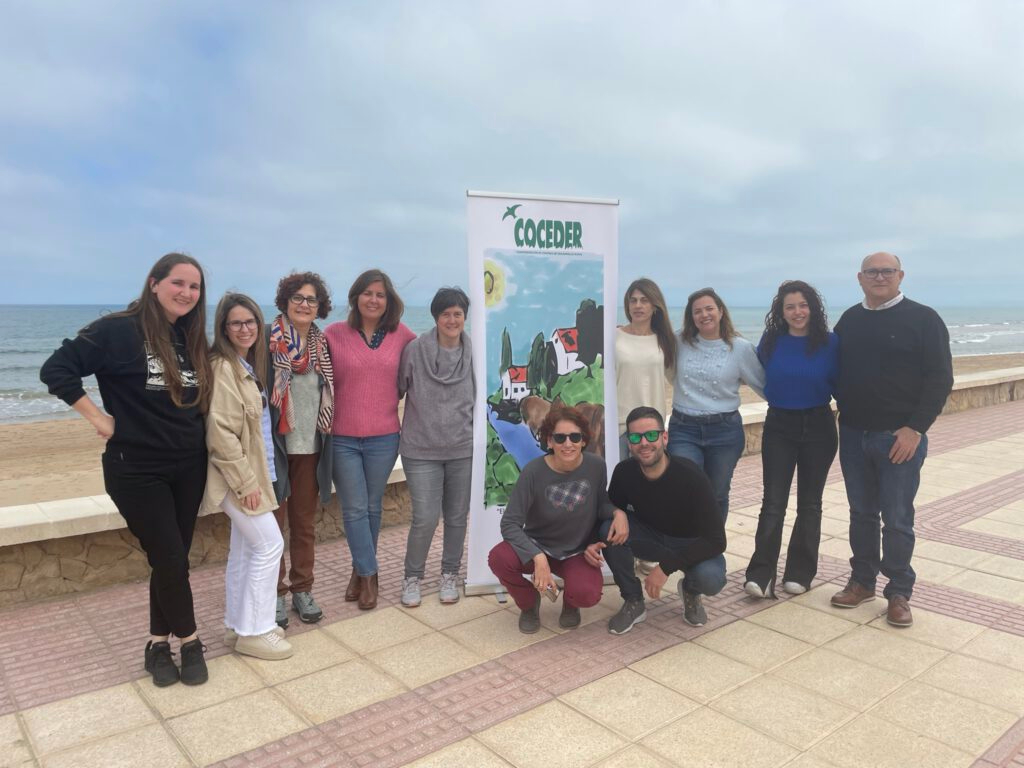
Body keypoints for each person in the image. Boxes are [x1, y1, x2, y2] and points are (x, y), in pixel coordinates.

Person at [39, 253, 212, 687]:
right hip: (136, 469)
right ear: (154, 283)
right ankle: (189, 641)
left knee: (169, 560)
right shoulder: (117, 330)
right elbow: (56, 370)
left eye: (194, 287)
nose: (187, 293)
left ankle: (157, 644)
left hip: (189, 467)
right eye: (178, 283)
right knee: (170, 557)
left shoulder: (187, 336)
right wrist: (99, 420)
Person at [830, 252, 953, 627]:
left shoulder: (924, 319)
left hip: (898, 438)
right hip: (852, 434)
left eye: (886, 271)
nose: (879, 277)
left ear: (900, 275)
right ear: (859, 277)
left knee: (897, 519)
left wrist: (915, 428)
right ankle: (862, 581)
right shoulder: (850, 320)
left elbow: (940, 378)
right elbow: (833, 366)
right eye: (872, 272)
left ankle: (899, 592)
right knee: (861, 514)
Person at [203, 293, 293, 661]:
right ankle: (256, 631)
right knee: (269, 545)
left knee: (243, 551)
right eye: (237, 323)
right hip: (236, 478)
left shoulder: (244, 365)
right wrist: (246, 483)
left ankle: (236, 626)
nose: (245, 328)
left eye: (251, 321)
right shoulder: (223, 367)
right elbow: (220, 432)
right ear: (224, 328)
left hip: (252, 473)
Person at [488, 406, 629, 634]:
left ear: (583, 440)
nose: (568, 444)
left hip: (575, 551)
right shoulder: (533, 472)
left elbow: (600, 504)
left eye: (575, 437)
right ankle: (528, 604)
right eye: (559, 438)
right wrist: (537, 556)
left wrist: (618, 513)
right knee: (499, 558)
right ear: (549, 441)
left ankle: (571, 605)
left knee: (588, 593)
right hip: (538, 547)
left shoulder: (596, 466)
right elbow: (510, 523)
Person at [590, 407, 726, 633]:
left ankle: (691, 591)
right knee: (609, 529)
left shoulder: (690, 476)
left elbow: (716, 541)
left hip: (689, 543)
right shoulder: (625, 472)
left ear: (664, 437)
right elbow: (608, 505)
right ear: (629, 443)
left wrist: (665, 569)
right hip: (651, 539)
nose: (644, 443)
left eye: (651, 435)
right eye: (636, 437)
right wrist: (618, 513)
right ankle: (633, 600)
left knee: (711, 579)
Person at [326, 269, 416, 610]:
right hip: (342, 438)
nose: (373, 300)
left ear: (388, 300)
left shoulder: (403, 336)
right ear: (355, 298)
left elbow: (421, 372)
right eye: (367, 293)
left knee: (373, 507)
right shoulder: (334, 334)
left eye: (380, 294)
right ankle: (369, 575)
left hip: (384, 437)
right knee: (354, 508)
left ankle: (359, 570)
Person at [744, 281, 839, 599]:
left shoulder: (829, 342)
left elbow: (846, 383)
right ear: (780, 312)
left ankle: (799, 572)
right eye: (790, 307)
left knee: (810, 504)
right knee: (773, 503)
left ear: (812, 308)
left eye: (803, 305)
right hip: (780, 425)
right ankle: (761, 574)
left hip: (819, 425)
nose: (797, 312)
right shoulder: (771, 341)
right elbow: (753, 373)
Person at [398, 287, 475, 608]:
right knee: (426, 518)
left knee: (457, 517)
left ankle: (449, 574)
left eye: (458, 314)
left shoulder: (474, 351)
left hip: (463, 448)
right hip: (420, 450)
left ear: (465, 317)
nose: (452, 319)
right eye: (446, 314)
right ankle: (412, 577)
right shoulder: (415, 350)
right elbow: (399, 388)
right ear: (435, 317)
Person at [267, 272, 335, 627]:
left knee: (304, 523)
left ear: (319, 306)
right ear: (285, 301)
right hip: (275, 448)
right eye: (297, 298)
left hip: (311, 446)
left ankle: (302, 590)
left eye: (311, 299)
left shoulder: (322, 346)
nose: (304, 304)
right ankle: (275, 594)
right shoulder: (267, 339)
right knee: (273, 525)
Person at [668, 288, 765, 522]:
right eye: (697, 311)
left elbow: (763, 384)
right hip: (684, 428)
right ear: (691, 317)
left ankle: (712, 547)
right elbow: (649, 343)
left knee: (717, 494)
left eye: (709, 308)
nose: (704, 315)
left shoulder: (740, 348)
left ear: (721, 311)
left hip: (724, 431)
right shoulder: (679, 341)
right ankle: (687, 546)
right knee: (686, 488)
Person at [615, 278, 676, 459]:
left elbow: (677, 379)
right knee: (619, 484)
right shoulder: (613, 337)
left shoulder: (665, 340)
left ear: (655, 306)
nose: (638, 305)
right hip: (620, 427)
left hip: (652, 430)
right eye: (633, 300)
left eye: (644, 300)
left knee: (651, 486)